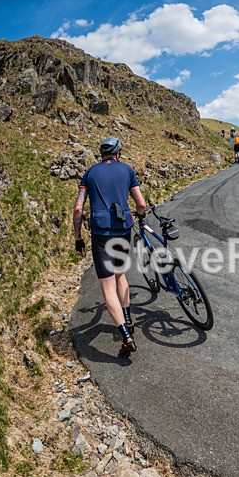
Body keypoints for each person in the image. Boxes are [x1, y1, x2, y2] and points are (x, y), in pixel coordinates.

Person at [73, 137, 147, 357]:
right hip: (122, 229)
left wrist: (78, 238)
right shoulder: (127, 170)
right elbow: (140, 204)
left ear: (102, 153)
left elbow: (78, 209)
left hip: (101, 233)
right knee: (121, 276)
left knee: (107, 287)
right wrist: (139, 217)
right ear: (118, 153)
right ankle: (129, 321)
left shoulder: (89, 174)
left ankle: (126, 335)